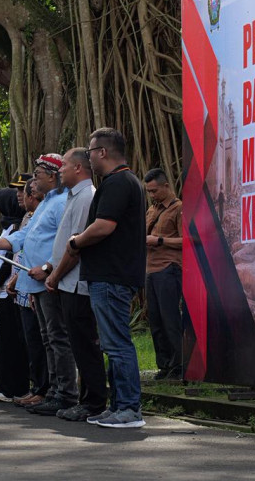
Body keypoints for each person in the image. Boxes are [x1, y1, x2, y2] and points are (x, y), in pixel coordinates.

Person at [0, 154, 75, 416]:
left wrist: (47, 268)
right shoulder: (46, 203)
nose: (33, 182)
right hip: (34, 283)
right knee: (47, 339)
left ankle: (65, 394)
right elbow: (26, 235)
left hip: (49, 281)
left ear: (52, 176)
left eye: (37, 175)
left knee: (57, 338)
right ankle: (51, 391)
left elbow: (65, 242)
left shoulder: (61, 204)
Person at [67, 128, 147, 429]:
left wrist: (76, 241)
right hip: (112, 274)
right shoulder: (124, 182)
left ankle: (129, 408)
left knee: (117, 343)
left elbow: (104, 226)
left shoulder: (117, 183)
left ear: (102, 152)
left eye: (90, 152)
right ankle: (118, 406)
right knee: (112, 343)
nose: (89, 158)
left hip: (112, 275)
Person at [45, 147, 108, 422]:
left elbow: (77, 246)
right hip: (67, 282)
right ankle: (87, 399)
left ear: (79, 168)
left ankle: (94, 402)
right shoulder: (72, 196)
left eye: (64, 165)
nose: (60, 170)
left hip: (77, 283)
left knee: (85, 344)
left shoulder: (86, 197)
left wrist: (55, 275)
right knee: (78, 343)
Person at [0, 188, 30, 402]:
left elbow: (9, 260)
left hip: (11, 291)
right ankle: (7, 386)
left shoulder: (16, 228)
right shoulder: (10, 227)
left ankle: (15, 387)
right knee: (5, 342)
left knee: (13, 342)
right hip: (5, 292)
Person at [9, 180, 51, 408]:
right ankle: (37, 387)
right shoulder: (29, 217)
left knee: (43, 340)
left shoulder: (48, 210)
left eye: (22, 191)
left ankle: (46, 389)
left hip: (39, 282)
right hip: (25, 286)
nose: (20, 195)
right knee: (33, 341)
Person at [143, 168, 184, 381]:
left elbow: (187, 241)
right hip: (150, 270)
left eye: (155, 190)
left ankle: (178, 366)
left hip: (169, 268)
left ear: (166, 186)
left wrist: (159, 240)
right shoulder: (151, 210)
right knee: (156, 321)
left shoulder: (179, 208)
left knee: (170, 319)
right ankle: (164, 365)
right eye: (149, 191)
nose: (152, 195)